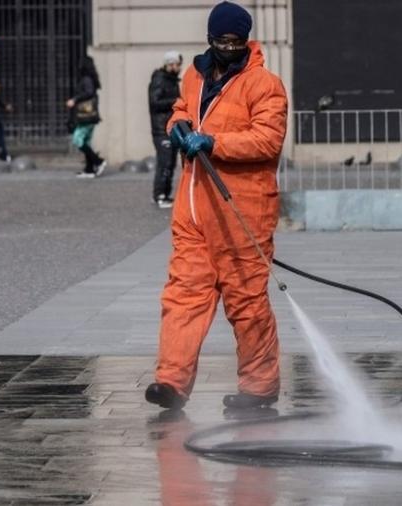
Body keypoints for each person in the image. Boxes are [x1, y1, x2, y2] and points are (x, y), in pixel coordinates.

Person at [144, 1, 288, 411]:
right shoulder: (194, 75)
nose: (227, 47)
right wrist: (180, 127)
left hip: (241, 212)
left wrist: (214, 142)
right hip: (193, 210)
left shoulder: (264, 84)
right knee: (183, 295)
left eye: (234, 41)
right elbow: (178, 112)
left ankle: (260, 387)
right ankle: (170, 382)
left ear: (245, 40)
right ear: (210, 38)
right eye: (220, 40)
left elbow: (268, 139)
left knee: (246, 302)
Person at [148, 50, 183, 208]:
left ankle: (165, 194)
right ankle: (160, 195)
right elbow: (154, 102)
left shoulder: (171, 80)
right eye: (173, 64)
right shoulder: (160, 79)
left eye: (177, 64)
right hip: (161, 129)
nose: (176, 67)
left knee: (170, 163)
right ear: (167, 64)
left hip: (169, 128)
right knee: (165, 162)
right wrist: (176, 101)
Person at [66, 56, 107, 178]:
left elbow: (89, 93)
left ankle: (98, 161)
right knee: (86, 142)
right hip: (90, 116)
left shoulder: (86, 79)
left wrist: (75, 99)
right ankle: (89, 169)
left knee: (77, 140)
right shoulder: (90, 78)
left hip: (86, 116)